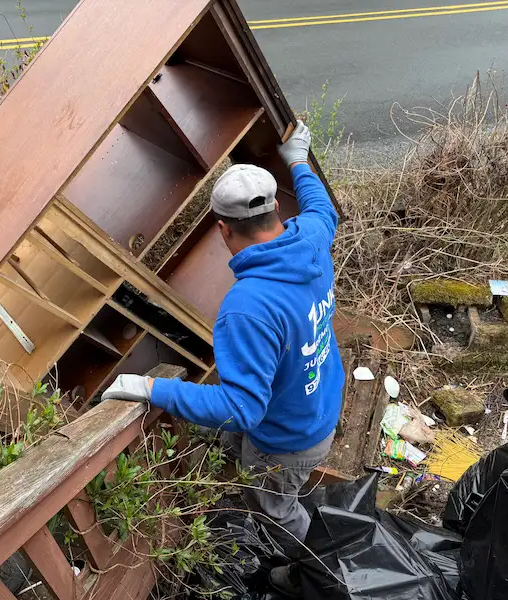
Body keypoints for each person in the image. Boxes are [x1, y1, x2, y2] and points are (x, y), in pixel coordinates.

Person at [102, 122, 344, 575]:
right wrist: (297, 159)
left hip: (286, 440)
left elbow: (241, 409)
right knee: (239, 450)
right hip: (318, 405)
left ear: (221, 230)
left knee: (275, 508)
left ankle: (317, 567)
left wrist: (152, 388)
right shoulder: (312, 235)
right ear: (276, 209)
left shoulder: (248, 307)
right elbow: (320, 205)